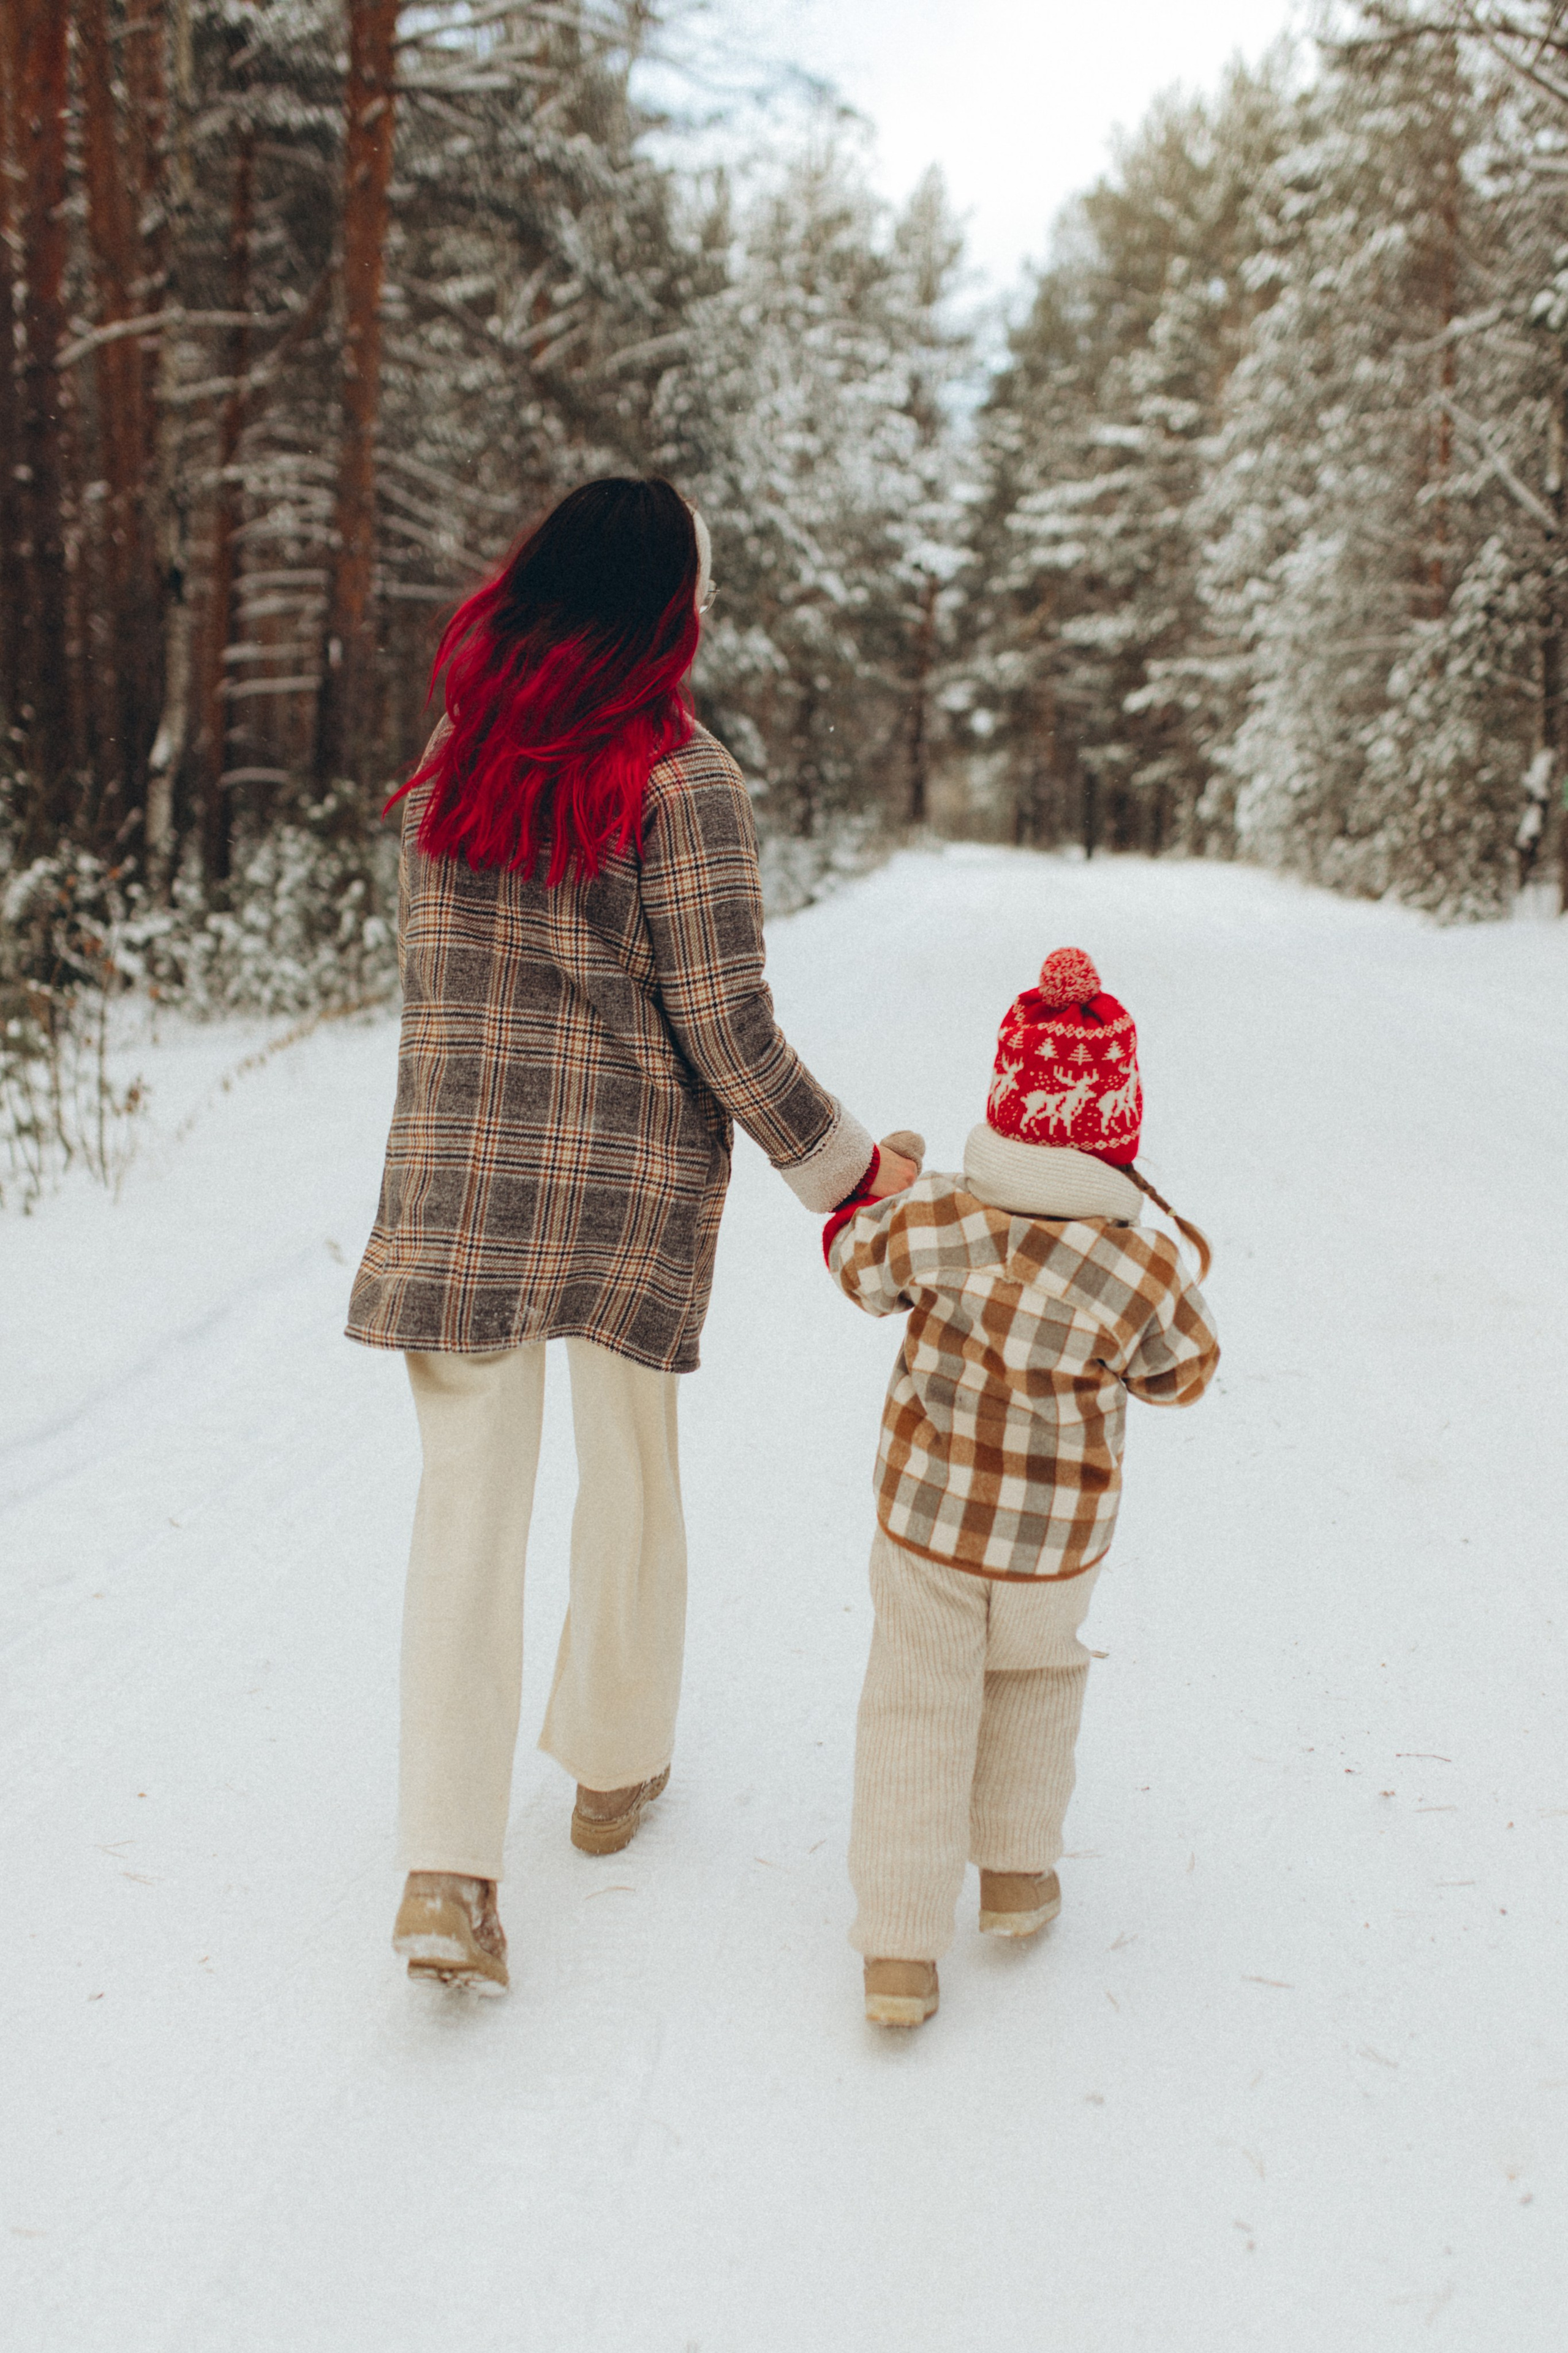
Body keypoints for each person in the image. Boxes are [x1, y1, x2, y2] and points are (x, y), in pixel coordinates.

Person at [346, 477, 918, 1994]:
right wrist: (851, 1172)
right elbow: (726, 1024)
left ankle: (445, 1872)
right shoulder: (681, 775)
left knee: (463, 1513)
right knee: (630, 1470)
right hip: (623, 1185)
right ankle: (610, 1767)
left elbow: (435, 977)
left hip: (460, 1183)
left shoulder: (458, 758)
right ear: (665, 608)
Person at [822, 946, 1219, 2027]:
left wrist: (887, 1176)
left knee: (918, 1703)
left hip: (929, 1525)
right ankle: (1015, 1877)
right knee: (1038, 1681)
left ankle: (899, 1950)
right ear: (1119, 1134)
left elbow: (855, 1265)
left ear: (1004, 1105)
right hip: (1056, 1543)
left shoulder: (941, 1216)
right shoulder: (1141, 1266)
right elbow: (1185, 1372)